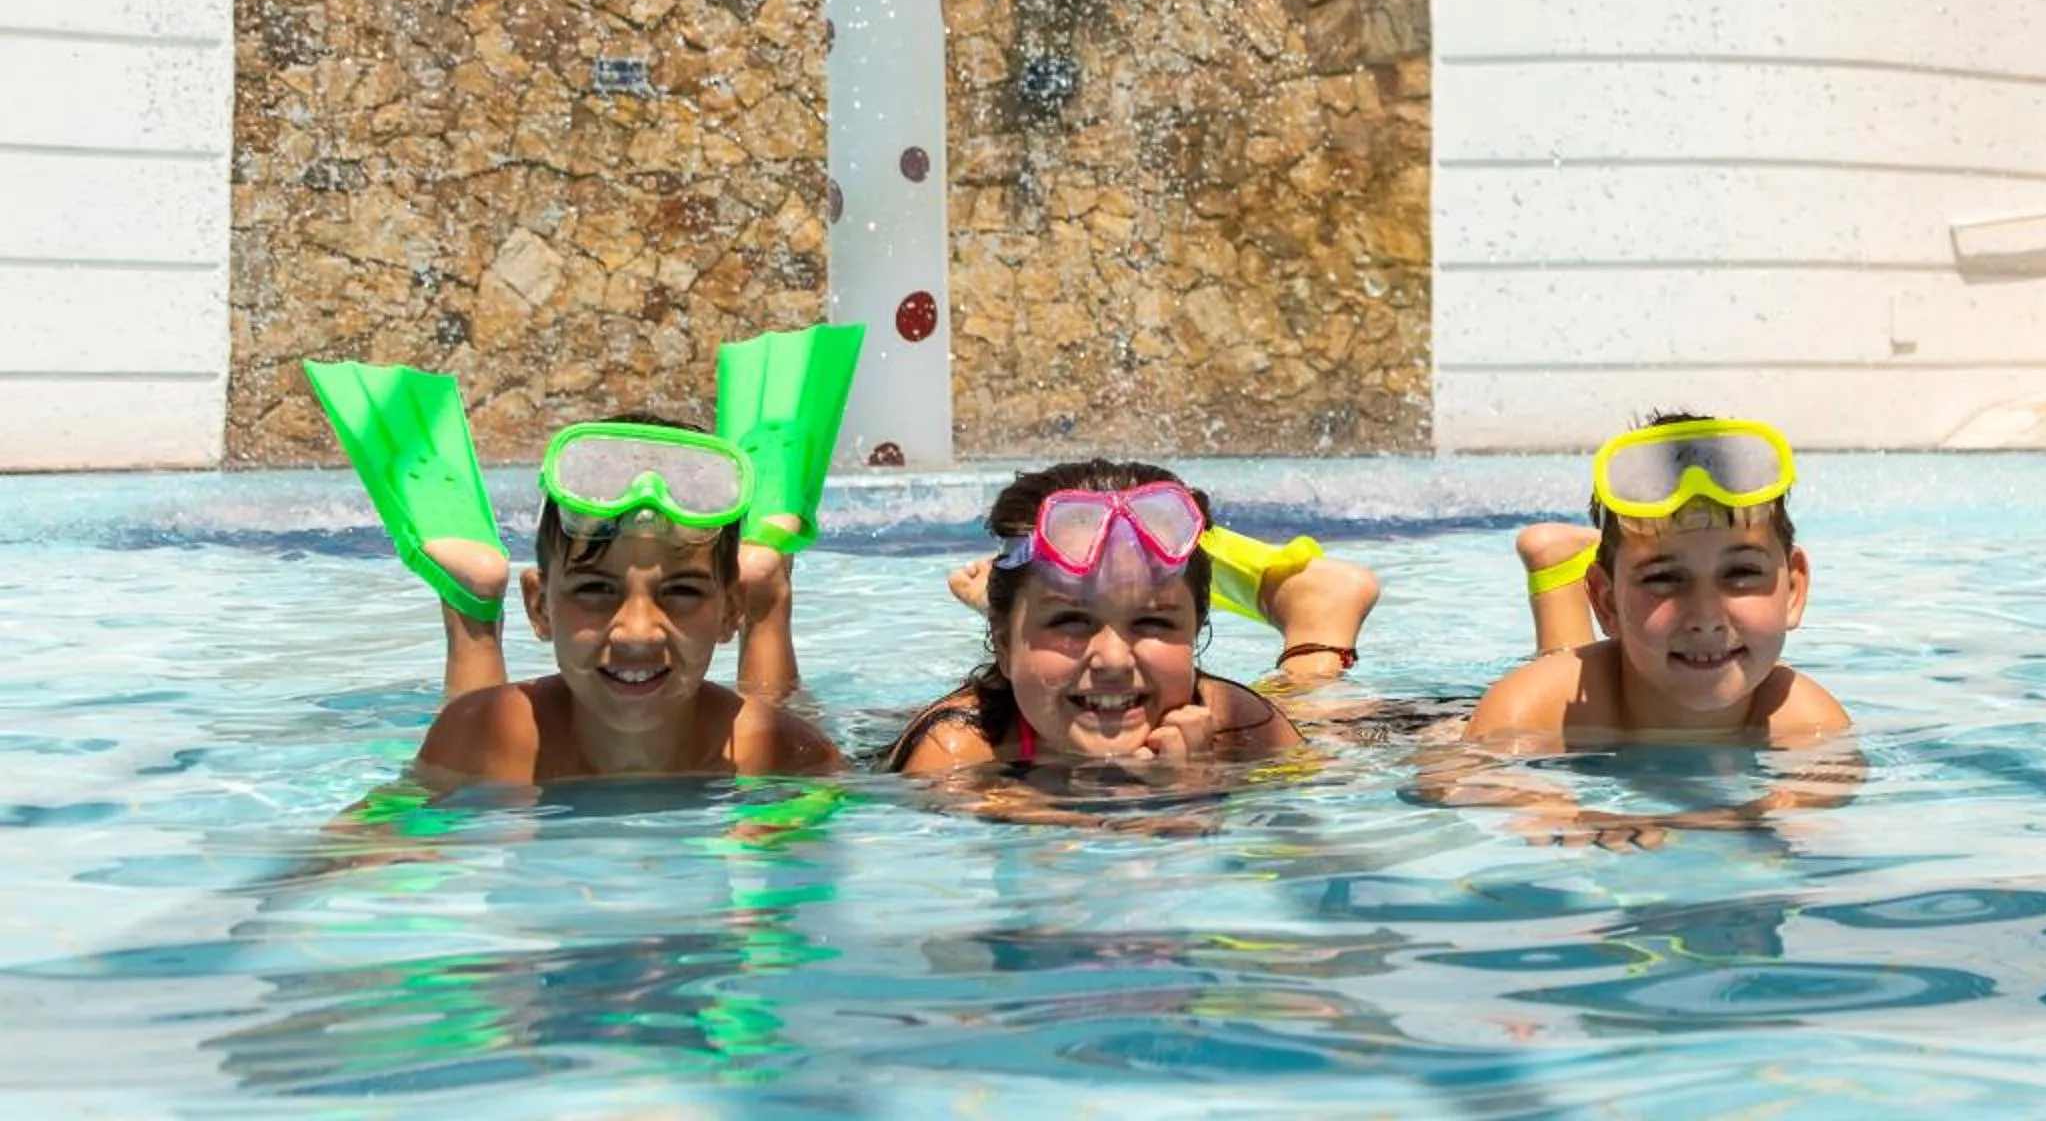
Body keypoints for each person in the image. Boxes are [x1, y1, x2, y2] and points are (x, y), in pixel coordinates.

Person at [410, 416, 845, 784]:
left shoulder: (783, 753)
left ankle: (766, 601)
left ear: (732, 610)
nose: (638, 633)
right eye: (596, 589)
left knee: (770, 714)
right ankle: (473, 608)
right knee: (486, 738)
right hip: (498, 736)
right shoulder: (472, 737)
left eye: (681, 591)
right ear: (540, 606)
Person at [885, 457, 1380, 777]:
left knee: (1325, 713)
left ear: (1196, 631)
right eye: (1070, 621)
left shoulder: (1238, 724)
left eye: (1155, 622)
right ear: (1005, 645)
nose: (1114, 659)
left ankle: (1318, 621)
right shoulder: (958, 751)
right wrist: (1173, 800)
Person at [1468, 414, 1849, 747]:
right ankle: (1558, 573)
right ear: (1606, 602)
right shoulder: (1528, 711)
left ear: (1794, 591)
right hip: (1568, 699)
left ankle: (1560, 563)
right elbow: (1451, 783)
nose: (1706, 616)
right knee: (1566, 675)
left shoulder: (1809, 724)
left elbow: (1814, 804)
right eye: (1664, 578)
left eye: (1741, 573)